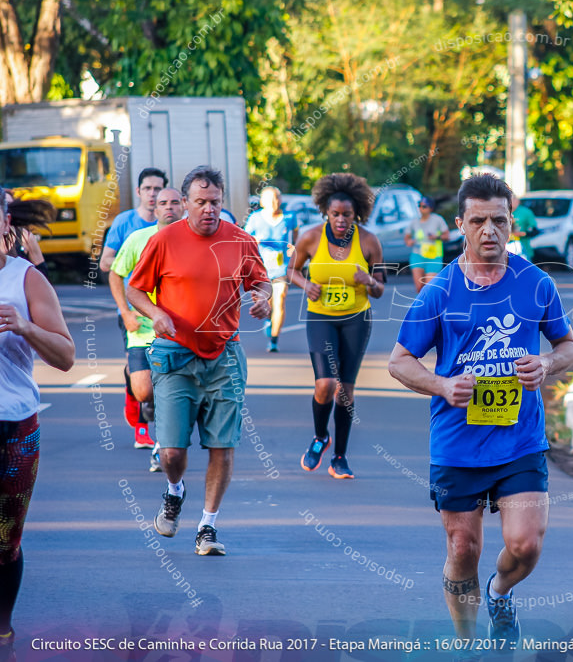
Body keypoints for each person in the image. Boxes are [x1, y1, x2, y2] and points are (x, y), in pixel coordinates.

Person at [388, 174, 573, 645]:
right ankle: (467, 644)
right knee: (462, 547)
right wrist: (442, 385)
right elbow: (399, 362)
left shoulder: (535, 283)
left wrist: (547, 363)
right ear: (460, 225)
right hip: (457, 444)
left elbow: (569, 346)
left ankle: (500, 591)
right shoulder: (439, 291)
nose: (489, 230)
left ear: (512, 223)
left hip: (520, 439)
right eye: (478, 221)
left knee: (526, 543)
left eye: (499, 220)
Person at [127, 166, 271, 557]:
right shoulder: (165, 240)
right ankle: (175, 491)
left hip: (223, 357)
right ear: (186, 203)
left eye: (215, 203)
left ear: (223, 203)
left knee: (222, 447)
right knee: (172, 451)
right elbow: (135, 288)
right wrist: (154, 313)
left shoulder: (241, 241)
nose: (209, 210)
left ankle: (207, 526)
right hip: (174, 355)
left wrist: (263, 298)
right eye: (201, 202)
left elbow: (260, 281)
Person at [0, 189, 75, 659]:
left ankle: (2, 626)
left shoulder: (25, 280)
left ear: (4, 221)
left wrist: (25, 327)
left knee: (4, 538)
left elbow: (66, 355)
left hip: (12, 426)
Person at [288, 173, 385, 479]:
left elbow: (381, 288)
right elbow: (291, 271)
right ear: (325, 213)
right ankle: (320, 437)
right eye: (335, 214)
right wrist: (306, 285)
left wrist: (368, 279)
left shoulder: (369, 241)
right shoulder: (310, 237)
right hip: (321, 317)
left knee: (345, 390)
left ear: (357, 213)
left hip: (356, 318)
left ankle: (339, 457)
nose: (341, 220)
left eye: (347, 215)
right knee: (325, 385)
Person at [108, 188, 184, 473]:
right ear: (155, 209)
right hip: (142, 329)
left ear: (184, 206)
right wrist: (126, 311)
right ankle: (140, 394)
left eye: (175, 202)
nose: (169, 208)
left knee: (170, 391)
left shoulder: (194, 241)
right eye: (163, 203)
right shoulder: (139, 239)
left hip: (178, 332)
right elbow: (116, 273)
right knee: (143, 391)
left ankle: (160, 446)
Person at [100, 168, 169, 449]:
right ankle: (142, 426)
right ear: (139, 192)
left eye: (158, 189)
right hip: (131, 310)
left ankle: (162, 422)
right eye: (148, 189)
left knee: (163, 371)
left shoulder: (173, 225)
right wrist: (131, 261)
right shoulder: (125, 222)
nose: (153, 194)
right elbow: (106, 264)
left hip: (165, 313)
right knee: (139, 373)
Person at [245, 186, 298, 352]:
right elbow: (245, 239)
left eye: (277, 198)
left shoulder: (289, 217)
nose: (274, 203)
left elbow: (296, 234)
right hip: (261, 269)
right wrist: (255, 241)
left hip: (281, 267)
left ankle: (274, 340)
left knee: (280, 298)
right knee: (268, 303)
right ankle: (268, 319)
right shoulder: (255, 218)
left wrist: (293, 249)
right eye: (270, 199)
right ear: (262, 202)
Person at [404, 195, 449, 293]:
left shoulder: (438, 220)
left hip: (433, 257)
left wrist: (436, 237)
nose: (421, 209)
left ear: (430, 208)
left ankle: (430, 306)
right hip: (417, 255)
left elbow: (447, 236)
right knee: (419, 287)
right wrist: (409, 241)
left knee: (429, 288)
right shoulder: (414, 222)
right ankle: (422, 307)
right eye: (420, 206)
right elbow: (406, 238)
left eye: (424, 206)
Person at [507, 195, 537, 262]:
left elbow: (534, 230)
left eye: (511, 201)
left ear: (517, 201)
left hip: (523, 248)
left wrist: (522, 234)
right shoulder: (502, 211)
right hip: (507, 249)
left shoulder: (526, 212)